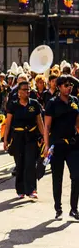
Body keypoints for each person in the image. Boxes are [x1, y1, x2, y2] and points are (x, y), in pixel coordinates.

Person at [44, 75, 79, 220]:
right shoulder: (52, 103)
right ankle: (58, 207)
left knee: (77, 176)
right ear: (58, 87)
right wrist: (46, 147)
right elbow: (47, 126)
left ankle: (74, 208)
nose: (69, 87)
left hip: (73, 144)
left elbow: (78, 123)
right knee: (57, 178)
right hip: (57, 145)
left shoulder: (75, 101)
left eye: (70, 85)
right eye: (65, 85)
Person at [4, 80, 44, 199]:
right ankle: (20, 190)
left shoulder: (34, 104)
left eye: (28, 89)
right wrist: (5, 140)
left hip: (31, 137)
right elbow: (8, 123)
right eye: (25, 90)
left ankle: (31, 189)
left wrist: (45, 138)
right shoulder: (13, 105)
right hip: (18, 137)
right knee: (20, 163)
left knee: (30, 163)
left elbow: (40, 122)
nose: (27, 92)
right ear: (19, 92)